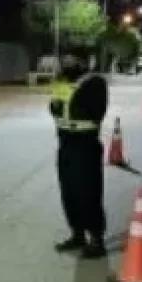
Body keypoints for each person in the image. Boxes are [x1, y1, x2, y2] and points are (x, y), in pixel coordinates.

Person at [50, 53, 109, 258]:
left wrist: (69, 93)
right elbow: (54, 108)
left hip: (86, 144)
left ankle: (96, 239)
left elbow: (93, 111)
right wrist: (61, 85)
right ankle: (77, 234)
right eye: (64, 60)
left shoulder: (95, 82)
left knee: (88, 193)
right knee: (69, 192)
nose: (67, 63)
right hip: (65, 143)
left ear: (83, 62)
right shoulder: (64, 82)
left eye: (71, 60)